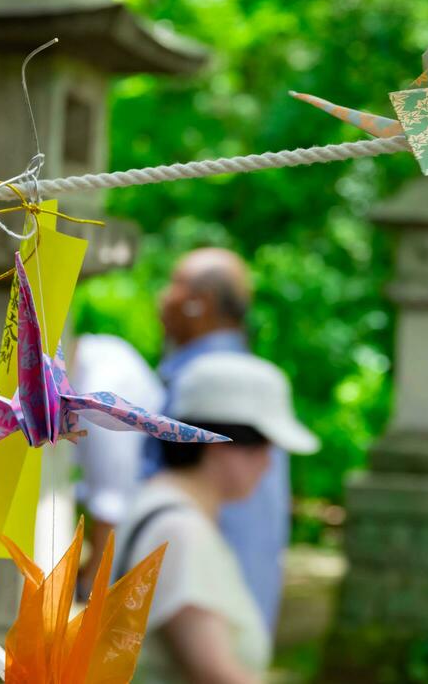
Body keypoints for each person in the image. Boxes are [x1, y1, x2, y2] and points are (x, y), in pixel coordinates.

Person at [115, 352, 320, 684]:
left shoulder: (160, 504)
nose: (267, 465)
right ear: (218, 444)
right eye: (261, 448)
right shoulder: (180, 531)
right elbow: (216, 672)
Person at [140, 247, 290, 632]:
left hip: (206, 614)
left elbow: (241, 523)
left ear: (198, 304)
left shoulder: (208, 385)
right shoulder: (244, 378)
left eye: (174, 285)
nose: (163, 297)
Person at [71, 333, 166, 596]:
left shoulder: (101, 392)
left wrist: (88, 587)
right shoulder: (97, 352)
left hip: (150, 523)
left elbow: (111, 504)